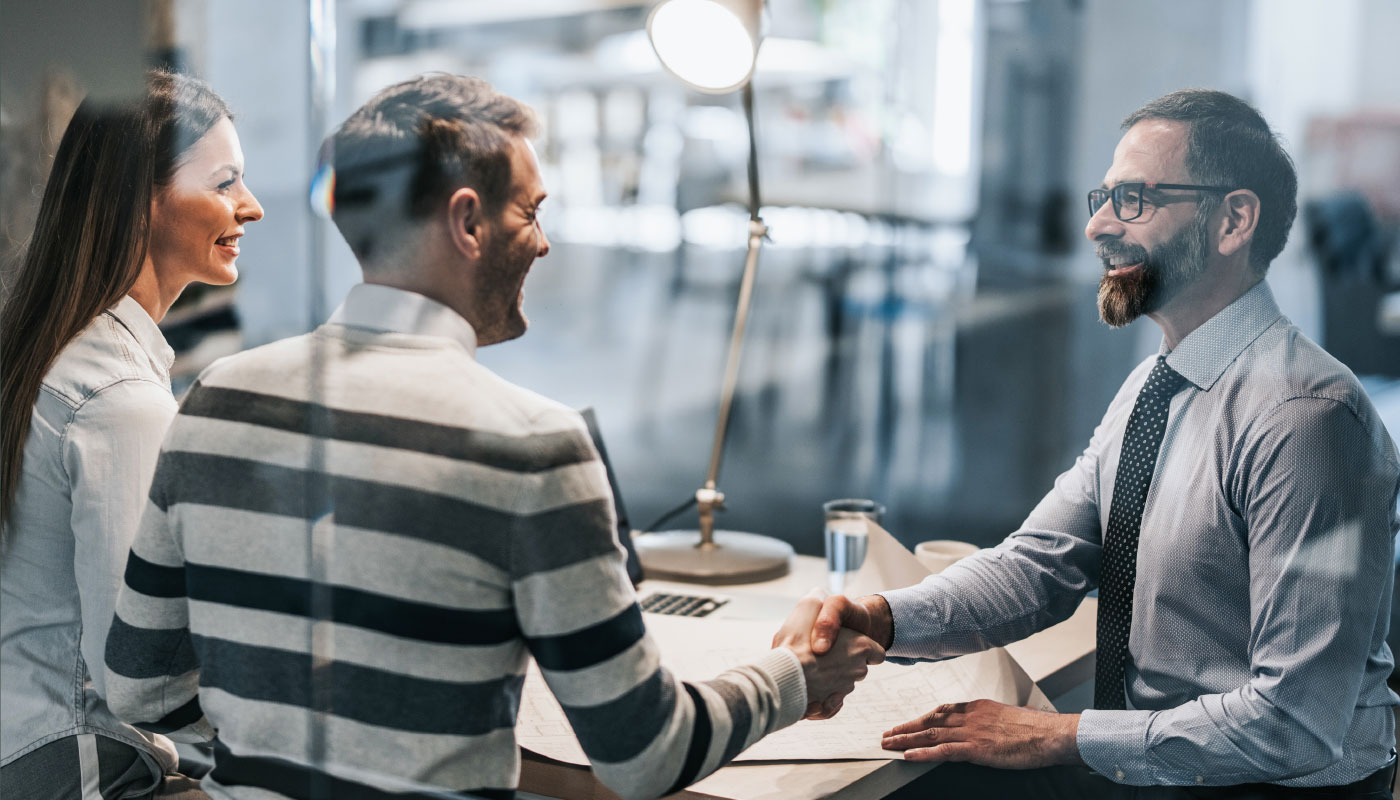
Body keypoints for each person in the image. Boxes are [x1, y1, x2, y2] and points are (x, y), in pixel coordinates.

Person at [101, 73, 884, 800]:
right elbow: (645, 756)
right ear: (468, 221)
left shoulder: (215, 401)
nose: (542, 243)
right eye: (531, 212)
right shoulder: (532, 445)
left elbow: (144, 691)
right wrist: (795, 680)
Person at [810, 89, 1400, 798]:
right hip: (1158, 768)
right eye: (1103, 197)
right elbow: (1038, 567)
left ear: (1234, 220)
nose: (1095, 226)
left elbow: (1294, 723)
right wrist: (879, 619)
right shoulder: (1156, 386)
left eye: (1133, 200)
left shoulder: (1307, 420)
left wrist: (1061, 736)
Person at [1, 70, 263, 799]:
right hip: (75, 760)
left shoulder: (54, 351)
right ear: (141, 200)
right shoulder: (117, 399)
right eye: (226, 181)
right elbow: (134, 674)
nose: (253, 206)